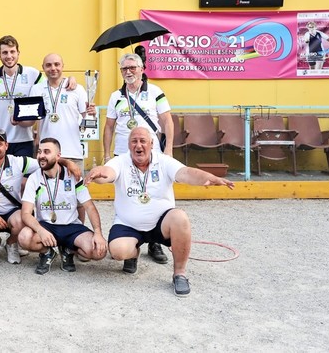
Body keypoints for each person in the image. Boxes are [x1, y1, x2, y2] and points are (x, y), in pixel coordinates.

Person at [86, 127, 235, 297]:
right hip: (128, 224)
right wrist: (97, 173)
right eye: (134, 141)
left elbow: (186, 173)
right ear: (128, 145)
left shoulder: (164, 161)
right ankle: (133, 254)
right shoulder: (120, 161)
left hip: (160, 224)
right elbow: (108, 173)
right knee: (118, 251)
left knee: (181, 218)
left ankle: (180, 274)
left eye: (143, 141)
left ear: (151, 144)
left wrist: (210, 178)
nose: (138, 145)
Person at [0, 129, 81, 264]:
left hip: (12, 211)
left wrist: (67, 162)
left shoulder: (18, 162)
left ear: (6, 145)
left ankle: (11, 243)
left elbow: (45, 160)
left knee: (22, 220)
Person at [102, 52, 174, 265]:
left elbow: (167, 122)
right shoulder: (116, 96)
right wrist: (107, 155)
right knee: (126, 199)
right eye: (124, 68)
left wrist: (168, 149)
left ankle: (155, 242)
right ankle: (131, 246)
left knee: (154, 195)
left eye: (132, 67)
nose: (128, 72)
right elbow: (109, 127)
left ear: (142, 69)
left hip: (152, 156)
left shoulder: (155, 92)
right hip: (124, 157)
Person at [19, 138, 107, 275]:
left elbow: (89, 207)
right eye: (39, 152)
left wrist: (98, 233)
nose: (41, 155)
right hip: (46, 226)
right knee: (24, 237)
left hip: (71, 226)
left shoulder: (73, 176)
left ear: (58, 156)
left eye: (47, 152)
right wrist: (40, 231)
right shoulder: (34, 178)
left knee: (98, 251)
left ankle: (67, 250)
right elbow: (25, 213)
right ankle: (47, 253)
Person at [0, 36, 77, 157]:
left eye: (12, 52)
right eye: (5, 52)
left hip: (24, 139)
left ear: (18, 53)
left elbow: (51, 85)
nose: (9, 56)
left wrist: (69, 79)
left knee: (24, 176)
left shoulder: (32, 74)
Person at [22, 53, 94, 173]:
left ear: (63, 66)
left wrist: (92, 114)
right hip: (46, 154)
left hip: (72, 153)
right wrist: (17, 122)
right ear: (43, 67)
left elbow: (87, 117)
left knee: (76, 190)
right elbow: (31, 120)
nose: (53, 68)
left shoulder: (76, 89)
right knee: (47, 190)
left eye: (57, 64)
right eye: (48, 65)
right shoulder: (36, 89)